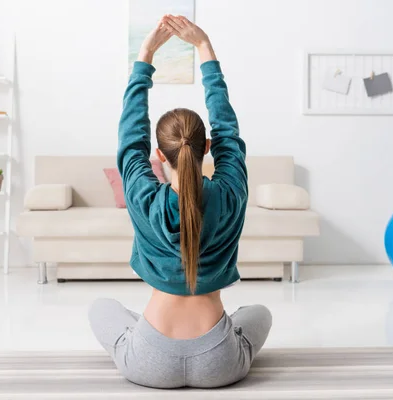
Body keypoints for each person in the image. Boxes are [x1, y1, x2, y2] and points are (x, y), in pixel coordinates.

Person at [88, 15, 272, 389]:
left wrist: (146, 54)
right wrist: (204, 47)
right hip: (220, 362)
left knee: (101, 309)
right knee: (260, 313)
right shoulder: (230, 193)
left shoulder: (143, 196)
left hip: (148, 361)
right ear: (207, 147)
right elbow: (228, 131)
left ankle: (139, 329)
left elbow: (130, 136)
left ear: (158, 153)